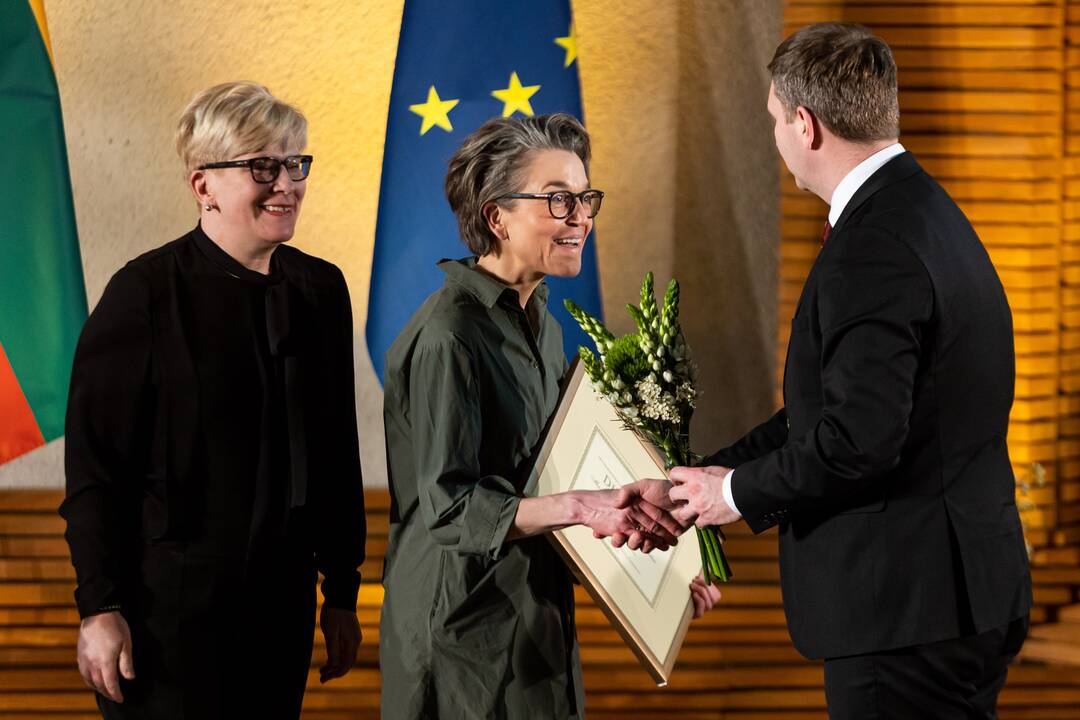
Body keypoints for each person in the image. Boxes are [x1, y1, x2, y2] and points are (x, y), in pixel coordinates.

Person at [624, 23, 1032, 718]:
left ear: (805, 125)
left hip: (905, 611)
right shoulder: (924, 211)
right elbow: (833, 411)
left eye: (775, 120)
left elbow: (859, 440)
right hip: (953, 595)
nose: (778, 136)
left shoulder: (871, 246)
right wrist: (702, 485)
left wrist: (738, 497)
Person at [379, 113, 719, 720]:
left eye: (585, 198)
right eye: (559, 199)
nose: (582, 217)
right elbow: (452, 507)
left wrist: (665, 578)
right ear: (496, 217)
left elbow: (560, 479)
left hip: (535, 618)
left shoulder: (549, 329)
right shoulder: (450, 334)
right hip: (460, 632)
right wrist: (581, 508)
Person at [60, 81, 366, 719]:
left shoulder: (321, 290)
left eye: (295, 163)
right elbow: (96, 472)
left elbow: (338, 453)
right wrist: (99, 607)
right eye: (263, 166)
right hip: (164, 619)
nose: (287, 183)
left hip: (280, 614)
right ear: (204, 186)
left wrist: (342, 593)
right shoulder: (143, 295)